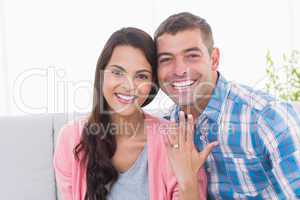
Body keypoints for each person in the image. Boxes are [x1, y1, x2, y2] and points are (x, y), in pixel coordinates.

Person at [53, 27, 216, 200]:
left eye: (141, 76)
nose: (129, 86)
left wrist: (187, 182)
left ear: (153, 83)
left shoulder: (173, 139)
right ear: (102, 74)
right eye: (117, 72)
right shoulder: (71, 139)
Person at [154, 12, 300, 199]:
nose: (180, 70)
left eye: (191, 56)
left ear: (214, 59)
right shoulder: (167, 127)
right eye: (166, 59)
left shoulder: (267, 117)